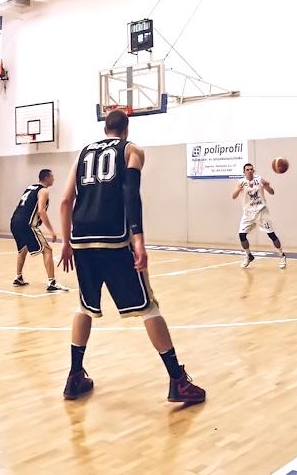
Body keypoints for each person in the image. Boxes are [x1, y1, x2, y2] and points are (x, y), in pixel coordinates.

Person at [58, 110, 205, 403]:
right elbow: (130, 194)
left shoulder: (82, 154)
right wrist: (138, 240)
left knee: (84, 306)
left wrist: (65, 243)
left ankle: (74, 376)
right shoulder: (132, 151)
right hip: (114, 239)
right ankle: (178, 381)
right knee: (148, 307)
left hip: (81, 239)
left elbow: (65, 200)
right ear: (126, 128)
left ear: (105, 128)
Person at [10, 169, 67, 292]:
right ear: (46, 178)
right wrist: (52, 231)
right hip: (27, 224)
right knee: (47, 250)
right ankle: (52, 282)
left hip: (14, 222)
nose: (53, 179)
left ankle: (18, 278)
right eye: (52, 177)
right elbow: (41, 211)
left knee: (22, 250)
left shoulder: (30, 187)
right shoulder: (43, 191)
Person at [231, 163, 287, 269]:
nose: (249, 171)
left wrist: (267, 186)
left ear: (253, 171)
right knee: (242, 235)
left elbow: (272, 192)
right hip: (248, 214)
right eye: (247, 169)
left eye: (251, 169)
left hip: (261, 212)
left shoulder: (260, 179)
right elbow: (233, 196)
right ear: (244, 172)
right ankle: (249, 255)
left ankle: (282, 255)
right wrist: (238, 189)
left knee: (271, 235)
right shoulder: (241, 182)